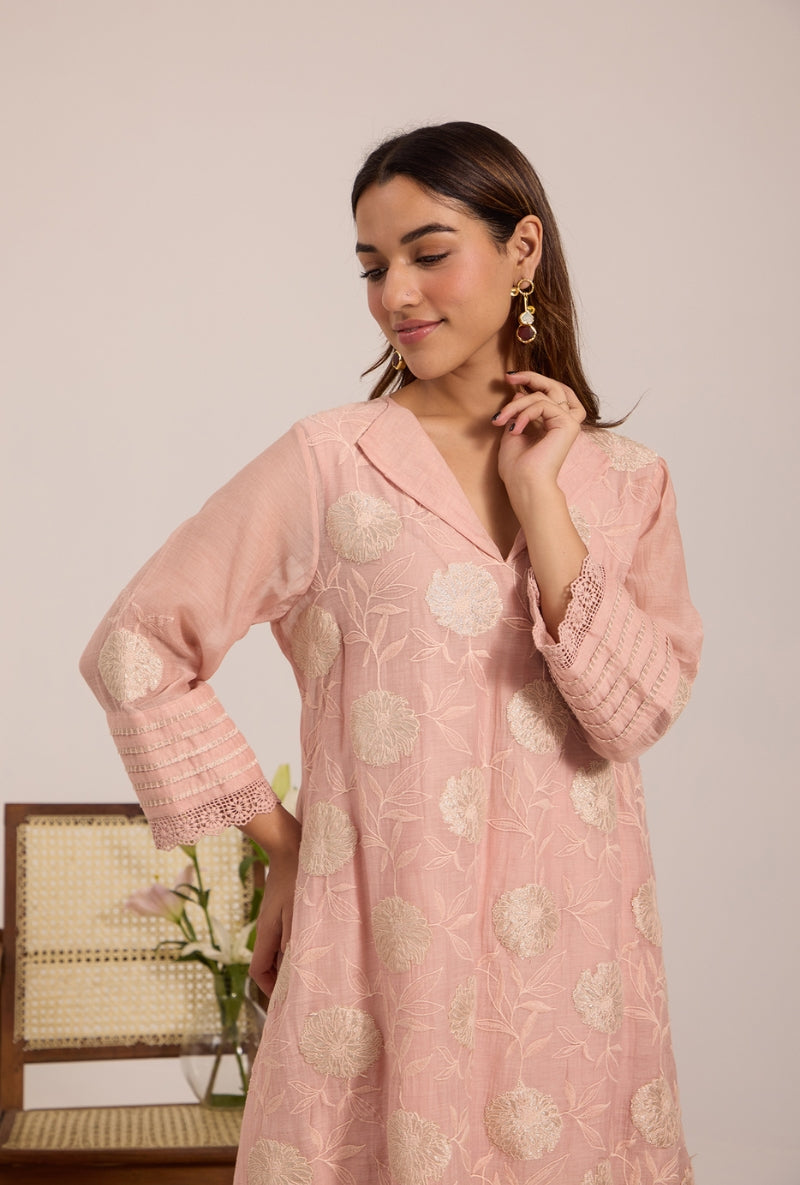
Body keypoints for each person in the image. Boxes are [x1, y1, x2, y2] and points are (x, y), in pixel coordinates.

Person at [81, 122, 701, 1185]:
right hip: (383, 953)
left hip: (576, 977)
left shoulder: (627, 481)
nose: (395, 295)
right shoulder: (332, 464)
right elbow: (136, 647)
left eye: (428, 254)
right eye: (372, 267)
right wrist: (284, 846)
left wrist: (540, 499)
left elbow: (630, 717)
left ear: (521, 251)